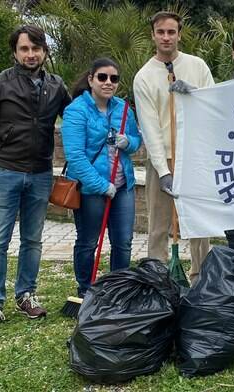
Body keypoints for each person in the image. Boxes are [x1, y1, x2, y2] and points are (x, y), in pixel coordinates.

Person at [0, 25, 71, 332]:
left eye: (36, 49)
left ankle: (26, 295)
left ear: (45, 52)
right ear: (15, 52)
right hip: (3, 171)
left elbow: (77, 116)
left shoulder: (56, 85)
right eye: (24, 49)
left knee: (33, 240)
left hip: (39, 173)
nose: (31, 54)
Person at [133, 11, 214, 284]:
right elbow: (150, 127)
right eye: (161, 32)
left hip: (194, 157)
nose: (166, 37)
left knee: (199, 225)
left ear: (179, 34)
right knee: (158, 225)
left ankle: (200, 278)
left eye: (171, 32)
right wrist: (163, 169)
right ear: (153, 35)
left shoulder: (197, 66)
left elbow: (212, 104)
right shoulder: (144, 76)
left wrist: (193, 93)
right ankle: (158, 280)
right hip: (163, 160)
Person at [61, 58, 141, 297]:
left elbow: (137, 141)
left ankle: (118, 288)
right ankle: (86, 289)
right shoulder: (76, 110)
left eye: (114, 79)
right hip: (92, 189)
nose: (108, 83)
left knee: (123, 241)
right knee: (88, 242)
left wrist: (128, 143)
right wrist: (101, 185)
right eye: (102, 77)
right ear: (91, 80)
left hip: (123, 185)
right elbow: (75, 156)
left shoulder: (124, 109)